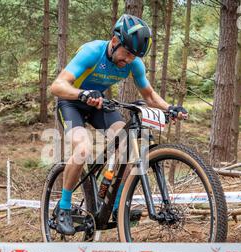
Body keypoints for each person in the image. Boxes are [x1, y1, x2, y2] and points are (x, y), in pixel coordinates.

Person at [50, 14, 187, 235]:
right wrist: (82, 93)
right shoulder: (93, 52)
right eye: (127, 53)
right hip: (71, 101)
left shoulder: (134, 64)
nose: (130, 60)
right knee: (83, 148)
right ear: (115, 42)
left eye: (135, 56)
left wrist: (169, 107)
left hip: (98, 102)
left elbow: (149, 95)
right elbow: (57, 86)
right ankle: (64, 208)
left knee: (129, 146)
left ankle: (116, 207)